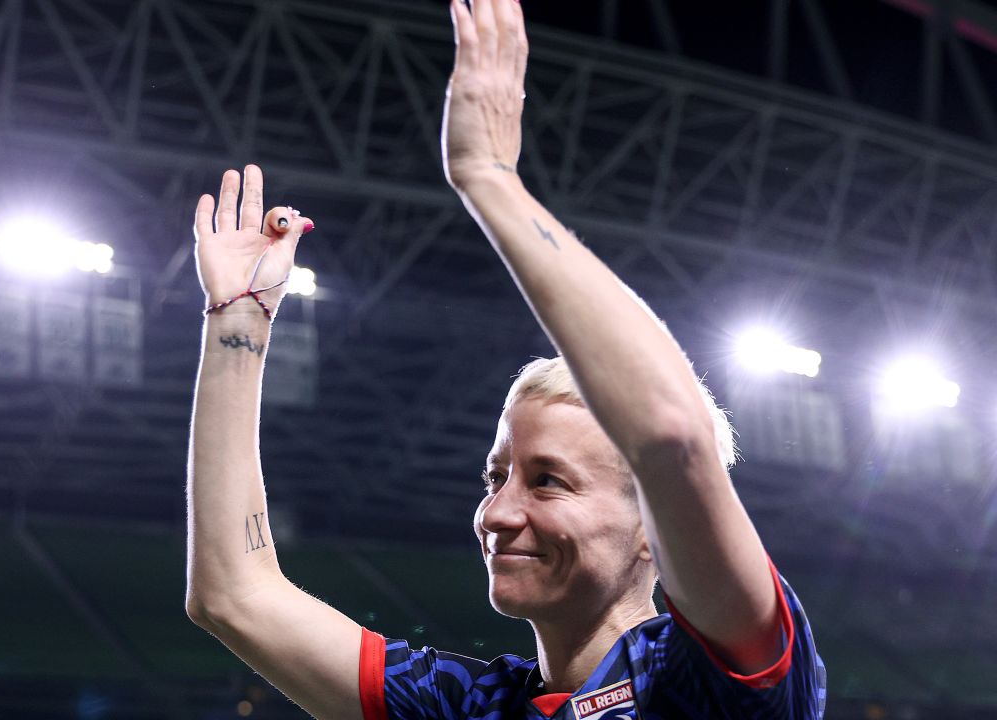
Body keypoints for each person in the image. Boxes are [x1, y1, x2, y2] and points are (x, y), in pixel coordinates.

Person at [185, 0, 826, 718]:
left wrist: (490, 179)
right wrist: (238, 323)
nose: (496, 511)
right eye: (496, 477)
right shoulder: (466, 707)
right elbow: (231, 595)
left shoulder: (722, 679)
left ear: (654, 529)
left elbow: (673, 439)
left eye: (548, 481)